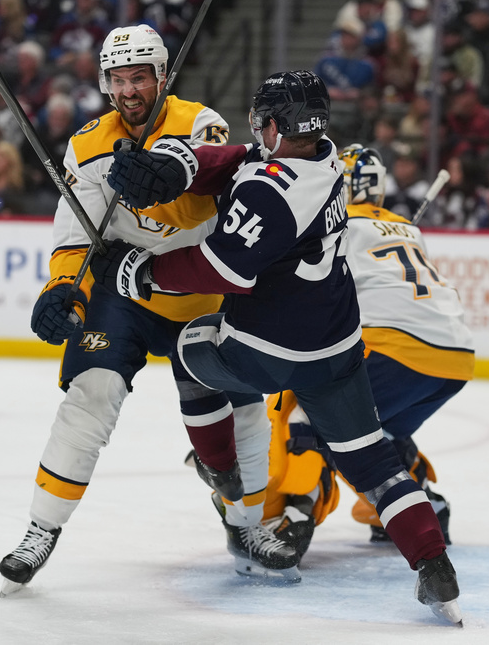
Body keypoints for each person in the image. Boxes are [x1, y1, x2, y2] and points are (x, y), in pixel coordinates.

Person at [94, 71, 463, 624]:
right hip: (337, 351)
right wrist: (181, 166)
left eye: (260, 121)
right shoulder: (326, 160)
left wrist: (138, 271)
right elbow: (240, 159)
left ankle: (222, 469)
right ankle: (435, 568)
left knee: (190, 344)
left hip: (270, 348)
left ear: (273, 124)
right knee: (375, 464)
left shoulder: (273, 192)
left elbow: (219, 267)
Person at [0, 25, 282, 598]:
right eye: (119, 79)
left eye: (140, 77)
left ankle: (248, 526)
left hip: (200, 291)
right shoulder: (89, 144)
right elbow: (77, 229)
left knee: (244, 408)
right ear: (107, 84)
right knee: (91, 394)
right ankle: (41, 529)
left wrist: (165, 180)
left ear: (162, 77)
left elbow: (215, 195)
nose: (130, 90)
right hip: (126, 290)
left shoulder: (199, 122)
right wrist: (63, 287)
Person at [256, 144, 474, 557]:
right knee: (374, 434)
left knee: (310, 414)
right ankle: (426, 505)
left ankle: (296, 515)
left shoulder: (333, 223)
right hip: (456, 356)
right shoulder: (409, 228)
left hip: (397, 345)